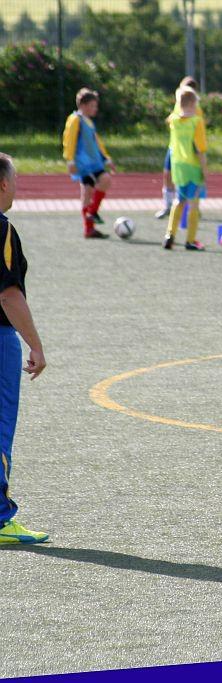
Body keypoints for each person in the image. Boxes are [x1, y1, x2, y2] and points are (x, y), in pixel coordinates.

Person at [0, 153, 49, 544]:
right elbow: (8, 294)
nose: (17, 186)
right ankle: (1, 520)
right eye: (15, 179)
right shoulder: (2, 230)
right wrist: (35, 345)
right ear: (3, 184)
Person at [62, 88, 114, 239]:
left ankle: (91, 218)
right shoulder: (75, 119)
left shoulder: (89, 122)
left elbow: (96, 141)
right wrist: (70, 160)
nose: (95, 108)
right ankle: (90, 223)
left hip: (95, 163)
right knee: (89, 191)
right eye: (92, 105)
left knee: (102, 182)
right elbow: (69, 140)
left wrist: (106, 158)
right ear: (83, 105)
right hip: (84, 164)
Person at [163, 88, 208, 251]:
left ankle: (170, 235)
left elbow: (171, 117)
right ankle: (190, 240)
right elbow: (200, 149)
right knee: (194, 203)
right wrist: (204, 170)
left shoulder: (173, 120)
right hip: (193, 166)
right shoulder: (197, 122)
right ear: (193, 104)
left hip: (178, 166)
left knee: (179, 200)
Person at [156, 77, 203, 220]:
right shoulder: (179, 103)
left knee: (189, 179)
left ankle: (193, 207)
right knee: (167, 174)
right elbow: (170, 119)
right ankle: (168, 205)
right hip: (174, 147)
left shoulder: (196, 109)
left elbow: (198, 130)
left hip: (188, 150)